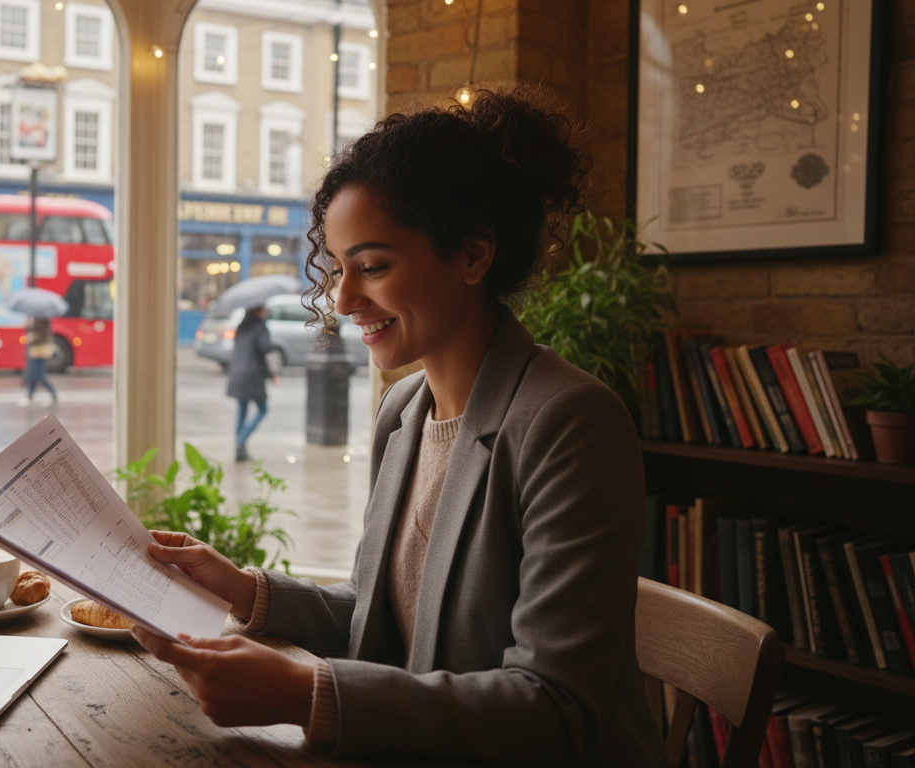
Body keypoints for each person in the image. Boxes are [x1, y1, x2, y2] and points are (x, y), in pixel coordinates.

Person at [132, 85, 668, 766]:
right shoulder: (404, 411)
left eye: (374, 267)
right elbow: (382, 610)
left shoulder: (570, 423)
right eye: (337, 270)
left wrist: (309, 695)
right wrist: (242, 589)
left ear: (474, 256)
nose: (345, 300)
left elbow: (555, 709)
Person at [226, 304, 280, 462]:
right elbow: (265, 349)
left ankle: (240, 448)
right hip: (252, 374)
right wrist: (273, 374)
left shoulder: (242, 326)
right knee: (262, 409)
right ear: (259, 310)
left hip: (237, 372)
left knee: (242, 410)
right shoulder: (260, 327)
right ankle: (241, 440)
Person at [24, 316, 58, 405]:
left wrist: (29, 329)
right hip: (36, 352)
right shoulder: (42, 322)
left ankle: (52, 392)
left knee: (38, 375)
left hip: (39, 352)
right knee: (32, 375)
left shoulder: (41, 323)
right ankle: (30, 396)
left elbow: (37, 338)